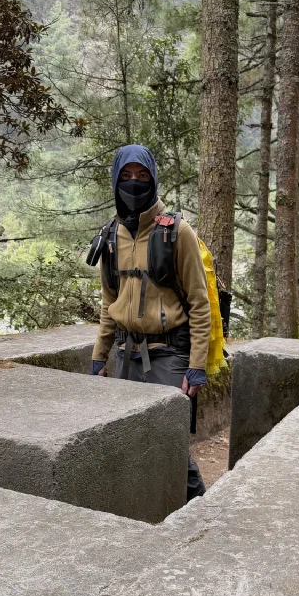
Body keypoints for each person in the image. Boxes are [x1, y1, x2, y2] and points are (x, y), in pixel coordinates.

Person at [89, 144, 210, 501]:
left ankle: (202, 516)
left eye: (142, 176)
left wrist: (197, 366)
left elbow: (199, 304)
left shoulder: (177, 232)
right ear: (115, 180)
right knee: (129, 438)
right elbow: (109, 303)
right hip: (125, 355)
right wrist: (100, 356)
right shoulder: (111, 235)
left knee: (170, 444)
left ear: (154, 178)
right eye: (126, 176)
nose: (134, 184)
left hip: (170, 356)